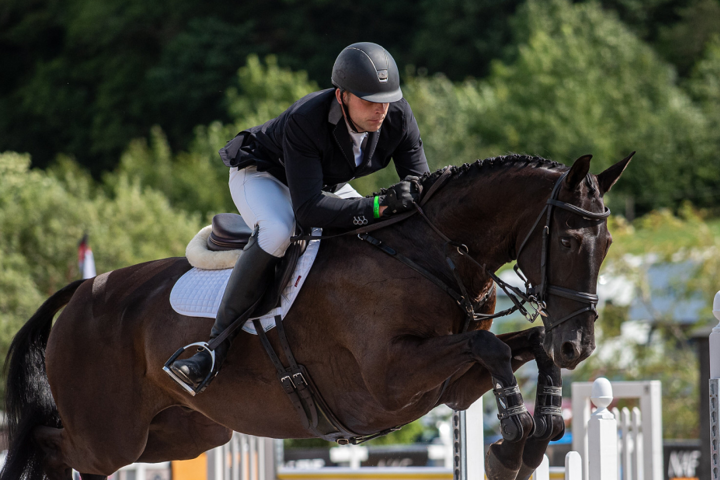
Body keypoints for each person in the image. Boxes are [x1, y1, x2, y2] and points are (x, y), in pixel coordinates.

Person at [166, 42, 430, 394]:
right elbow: (308, 210)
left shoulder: (397, 114)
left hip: (321, 181)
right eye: (369, 101)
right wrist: (379, 206)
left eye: (386, 99)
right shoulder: (308, 118)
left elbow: (421, 184)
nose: (380, 110)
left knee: (372, 233)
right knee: (279, 231)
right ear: (342, 96)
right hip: (262, 175)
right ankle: (213, 349)